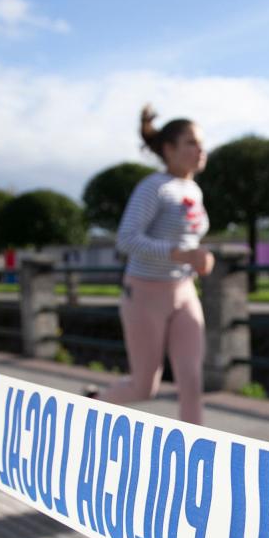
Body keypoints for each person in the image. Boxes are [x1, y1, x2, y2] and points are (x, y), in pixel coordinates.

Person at [85, 106, 213, 424]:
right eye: (191, 143)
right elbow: (127, 239)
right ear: (169, 149)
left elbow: (188, 242)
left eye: (201, 143)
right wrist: (180, 254)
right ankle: (90, 406)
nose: (201, 150)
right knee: (144, 387)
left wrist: (200, 259)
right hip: (145, 294)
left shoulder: (194, 190)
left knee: (192, 382)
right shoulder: (154, 187)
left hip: (184, 292)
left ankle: (196, 452)